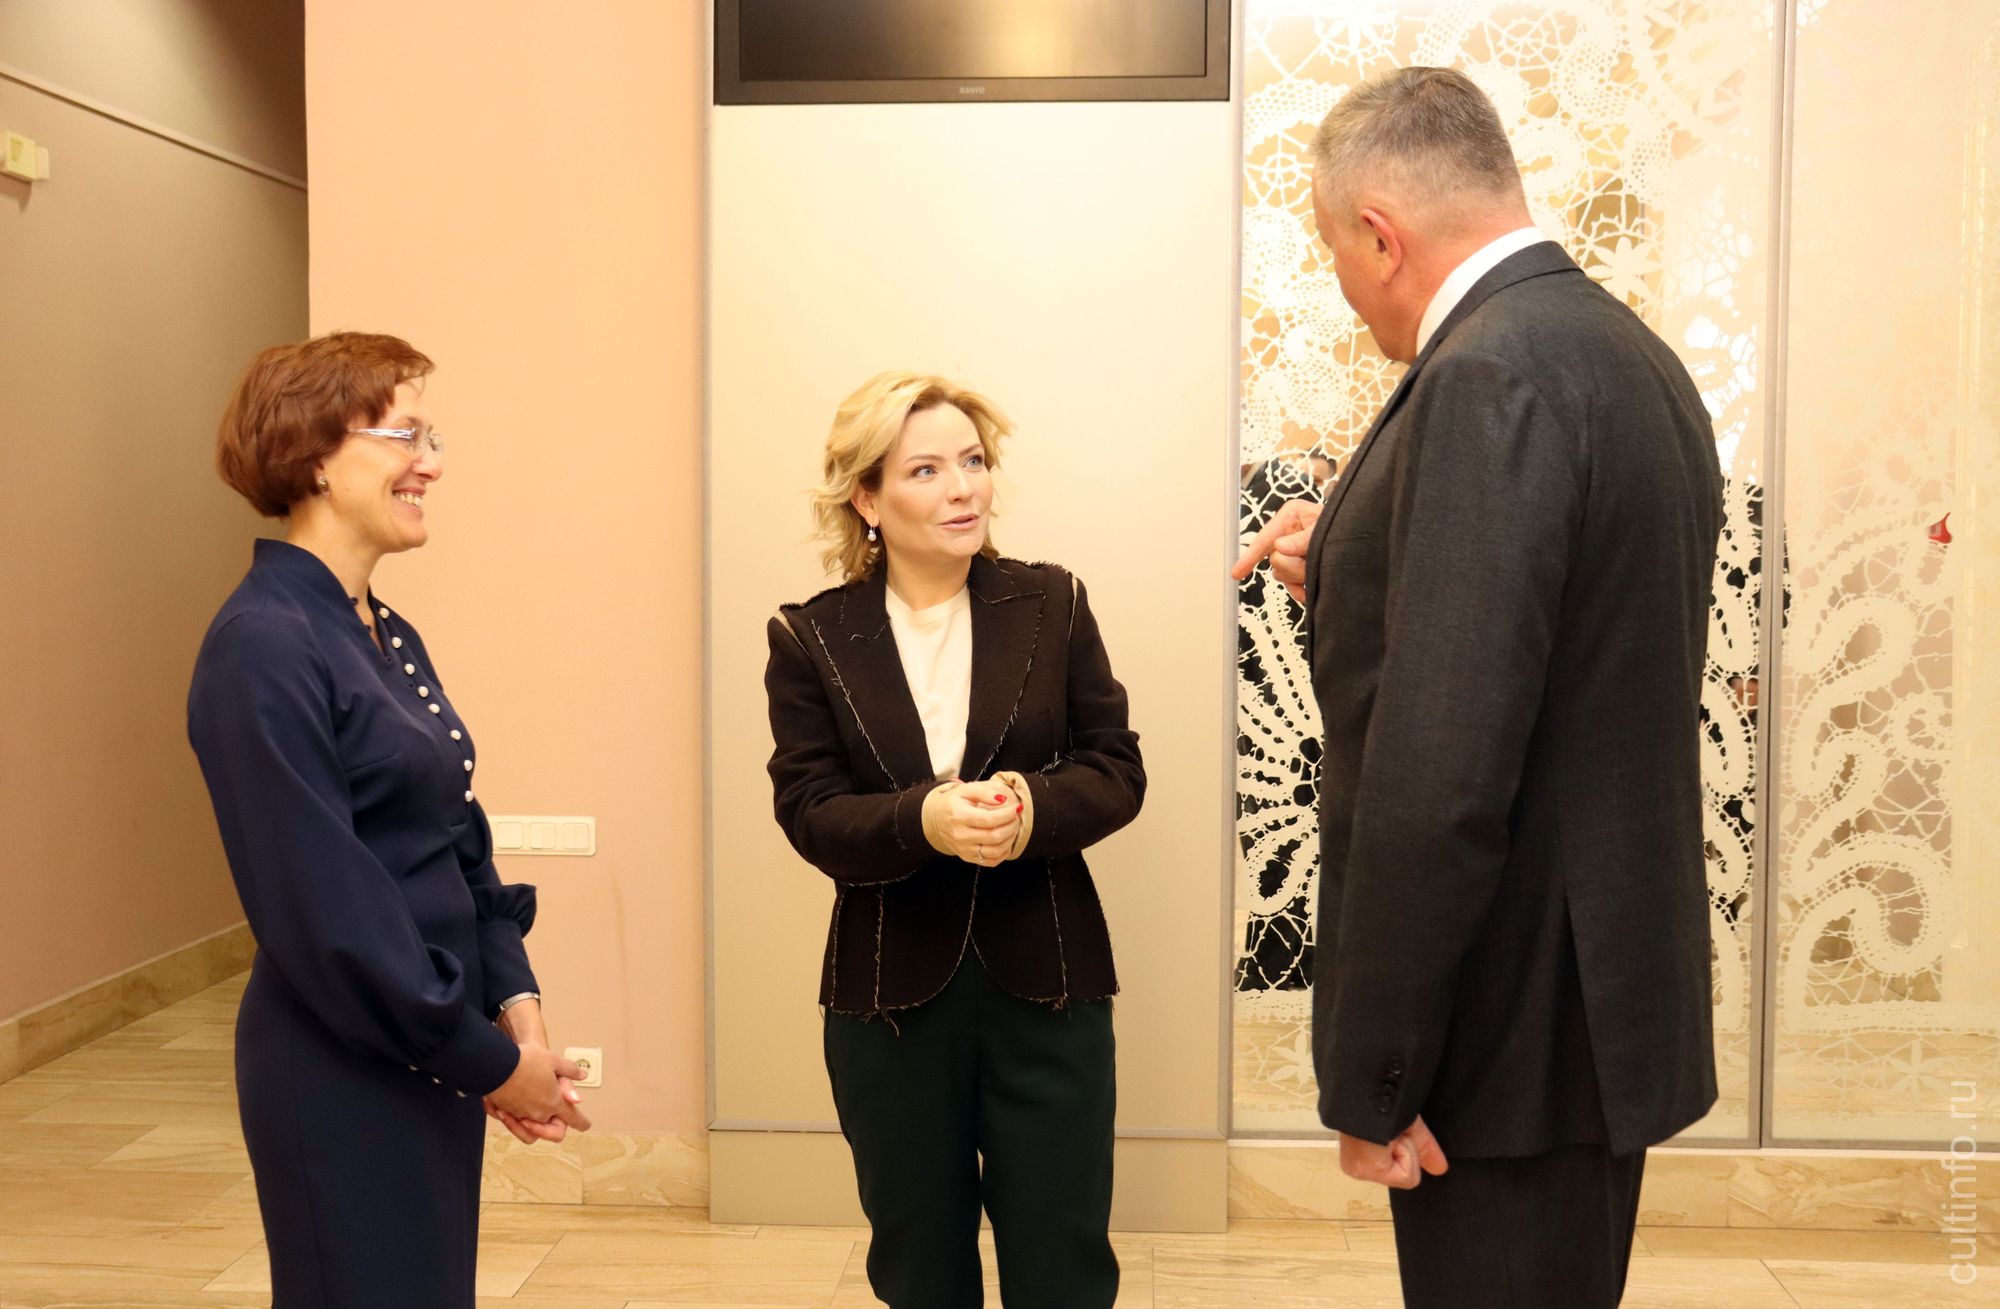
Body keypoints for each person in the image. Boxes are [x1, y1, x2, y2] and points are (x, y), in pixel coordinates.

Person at [1233, 67, 1721, 1307]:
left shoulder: (1482, 374)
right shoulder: (1625, 353)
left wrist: (1377, 1075)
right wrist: (1356, 559)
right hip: (1591, 1007)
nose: (1343, 289)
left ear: (1378, 234)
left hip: (1504, 1030)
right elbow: (1569, 635)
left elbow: (1440, 774)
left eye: (1333, 253)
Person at [187, 332, 589, 1308]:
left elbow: (453, 833)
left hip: (425, 1048)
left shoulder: (378, 627)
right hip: (339, 1067)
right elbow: (327, 916)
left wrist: (516, 1003)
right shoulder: (262, 644)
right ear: (316, 455)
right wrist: (491, 1065)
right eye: (405, 435)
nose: (431, 464)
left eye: (430, 437)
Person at [764, 372, 1145, 1308]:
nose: (964, 488)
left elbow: (1116, 768)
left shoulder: (1053, 603)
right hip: (889, 997)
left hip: (1048, 983)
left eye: (972, 462)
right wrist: (922, 818)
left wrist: (1030, 803)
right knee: (920, 1267)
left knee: (1063, 1266)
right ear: (867, 498)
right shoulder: (812, 637)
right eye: (926, 470)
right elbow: (810, 810)